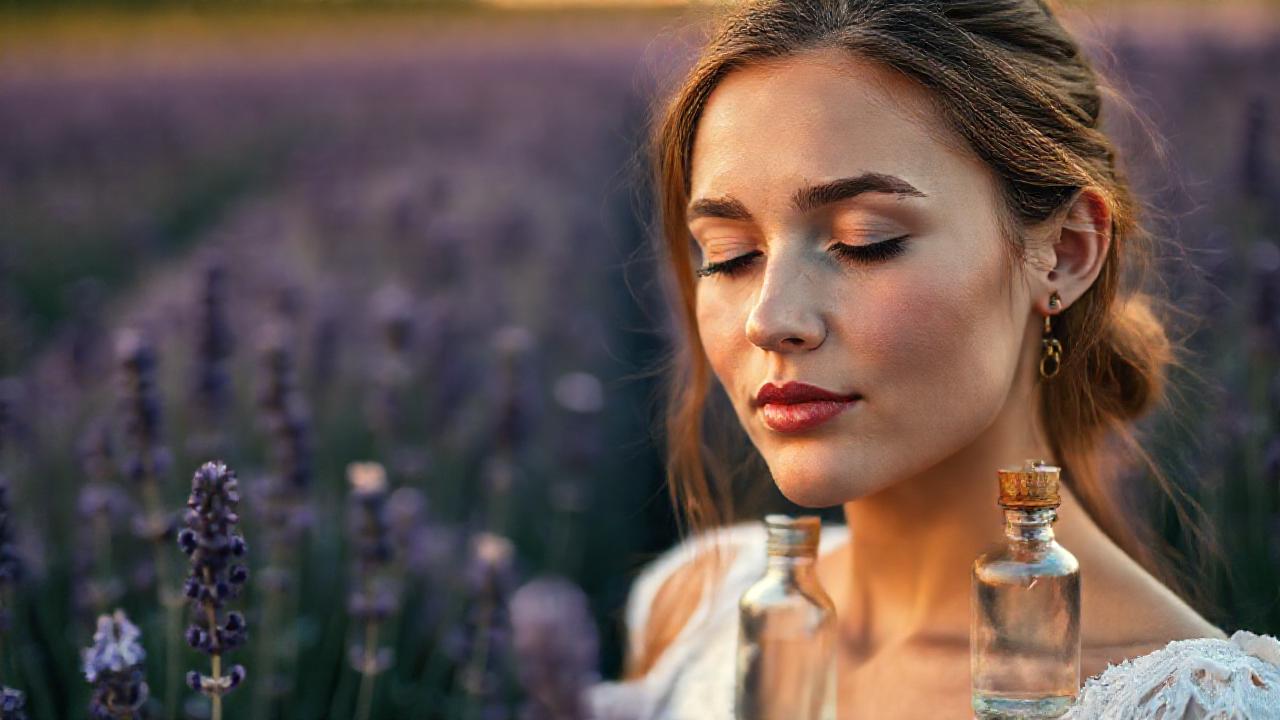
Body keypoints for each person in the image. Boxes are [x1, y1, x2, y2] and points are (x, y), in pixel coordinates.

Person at [587, 1, 1280, 718]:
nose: (769, 320)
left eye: (864, 240)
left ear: (1066, 254)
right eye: (729, 255)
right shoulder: (696, 611)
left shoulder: (1199, 705)